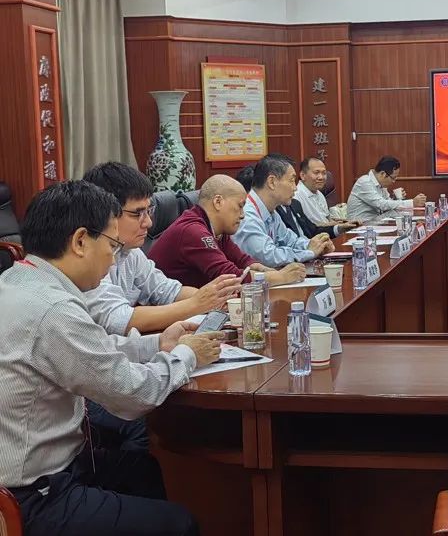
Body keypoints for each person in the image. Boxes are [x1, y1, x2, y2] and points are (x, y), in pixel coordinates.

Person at [0, 180, 223, 536]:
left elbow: (92, 350)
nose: (114, 258)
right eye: (112, 245)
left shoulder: (19, 279)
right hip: (31, 496)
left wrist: (159, 344)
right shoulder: (54, 309)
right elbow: (133, 394)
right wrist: (187, 355)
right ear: (80, 241)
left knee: (142, 470)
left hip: (44, 470)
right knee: (179, 523)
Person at [83, 163, 241, 336]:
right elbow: (118, 319)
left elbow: (166, 290)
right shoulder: (87, 256)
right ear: (107, 213)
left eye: (149, 211)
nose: (148, 223)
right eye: (138, 214)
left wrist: (213, 298)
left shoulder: (130, 252)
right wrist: (196, 304)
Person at [148, 175, 305, 288]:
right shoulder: (193, 231)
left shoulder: (216, 229)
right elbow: (231, 277)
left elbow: (243, 260)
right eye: (240, 206)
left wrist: (265, 270)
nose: (242, 215)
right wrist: (280, 277)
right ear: (218, 202)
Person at [233, 155, 335, 267]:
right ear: (272, 182)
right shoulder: (246, 214)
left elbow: (291, 241)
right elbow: (268, 256)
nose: (295, 188)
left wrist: (317, 244)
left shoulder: (271, 212)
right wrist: (310, 253)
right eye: (291, 180)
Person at [347, 156, 427, 223]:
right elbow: (382, 205)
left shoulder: (381, 185)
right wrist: (412, 202)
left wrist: (396, 199)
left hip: (375, 223)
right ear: (383, 174)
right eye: (393, 178)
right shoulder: (365, 182)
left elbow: (389, 206)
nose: (394, 181)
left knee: (396, 217)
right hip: (359, 227)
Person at [293, 156, 357, 229]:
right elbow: (305, 227)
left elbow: (327, 219)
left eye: (324, 173)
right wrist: (336, 225)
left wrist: (346, 223)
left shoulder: (319, 194)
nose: (321, 177)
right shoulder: (296, 196)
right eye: (316, 173)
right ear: (302, 175)